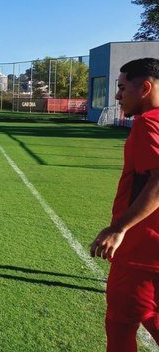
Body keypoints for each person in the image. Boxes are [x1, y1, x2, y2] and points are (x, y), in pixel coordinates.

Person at [90, 58, 159, 352]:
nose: (117, 96)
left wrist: (118, 228)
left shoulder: (148, 123)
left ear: (144, 87)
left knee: (119, 329)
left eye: (121, 88)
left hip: (140, 254)